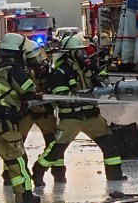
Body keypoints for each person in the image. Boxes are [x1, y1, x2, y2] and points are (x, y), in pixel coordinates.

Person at [33, 33, 124, 183]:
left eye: (84, 51)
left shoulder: (89, 67)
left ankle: (115, 175)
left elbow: (104, 78)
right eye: (80, 51)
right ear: (71, 53)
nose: (84, 54)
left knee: (110, 144)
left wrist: (99, 72)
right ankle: (38, 173)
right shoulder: (61, 72)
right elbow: (60, 95)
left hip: (92, 115)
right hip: (71, 118)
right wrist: (83, 94)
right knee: (56, 149)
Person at [0, 33, 42, 203]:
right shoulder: (11, 68)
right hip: (3, 121)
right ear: (17, 52)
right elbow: (28, 90)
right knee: (16, 158)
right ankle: (24, 196)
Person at [3, 40, 58, 185]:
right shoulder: (18, 71)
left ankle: (57, 172)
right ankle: (10, 175)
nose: (39, 61)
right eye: (33, 59)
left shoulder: (48, 70)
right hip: (25, 112)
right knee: (15, 144)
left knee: (54, 143)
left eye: (39, 57)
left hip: (44, 112)